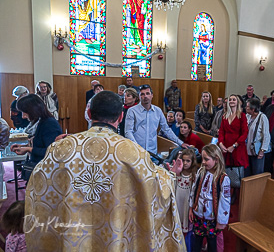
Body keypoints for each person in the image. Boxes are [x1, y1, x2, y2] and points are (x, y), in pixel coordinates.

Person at [24, 91, 186, 251]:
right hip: (115, 234)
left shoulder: (63, 148)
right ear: (121, 117)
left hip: (74, 234)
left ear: (89, 113)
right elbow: (155, 187)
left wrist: (57, 147)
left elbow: (40, 183)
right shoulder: (133, 153)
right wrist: (172, 175)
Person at [189, 144, 230, 252]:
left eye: (206, 159)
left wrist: (221, 221)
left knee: (212, 244)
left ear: (216, 159)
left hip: (211, 219)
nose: (202, 162)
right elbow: (194, 190)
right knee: (196, 241)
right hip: (198, 215)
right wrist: (191, 208)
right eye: (202, 158)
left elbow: (225, 201)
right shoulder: (201, 172)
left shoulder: (223, 178)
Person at [125, 84, 188, 154]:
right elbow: (128, 132)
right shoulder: (132, 111)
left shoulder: (158, 111)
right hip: (137, 151)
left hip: (152, 152)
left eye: (147, 93)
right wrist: (136, 147)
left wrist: (180, 143)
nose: (145, 96)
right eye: (142, 94)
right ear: (139, 97)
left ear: (152, 95)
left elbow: (166, 129)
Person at [10, 94, 62, 177]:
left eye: (24, 112)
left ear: (33, 110)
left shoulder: (49, 124)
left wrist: (29, 149)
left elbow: (51, 151)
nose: (23, 116)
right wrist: (24, 146)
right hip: (41, 169)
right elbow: (40, 143)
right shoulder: (40, 122)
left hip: (47, 172)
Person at [174, 149, 198, 243]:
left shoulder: (194, 176)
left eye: (188, 161)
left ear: (192, 162)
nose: (185, 163)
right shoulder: (178, 173)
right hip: (178, 200)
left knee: (187, 230)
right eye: (183, 160)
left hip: (187, 204)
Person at [218, 94, 249, 169]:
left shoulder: (242, 116)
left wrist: (234, 145)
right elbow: (221, 131)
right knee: (225, 168)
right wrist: (221, 143)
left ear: (237, 102)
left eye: (234, 99)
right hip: (226, 146)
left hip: (237, 146)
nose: (231, 101)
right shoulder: (224, 116)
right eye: (230, 100)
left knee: (236, 171)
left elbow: (245, 133)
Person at [245, 98, 270, 177]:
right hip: (247, 149)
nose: (246, 108)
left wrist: (262, 150)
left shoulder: (262, 117)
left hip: (257, 150)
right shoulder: (247, 116)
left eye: (248, 107)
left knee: (257, 174)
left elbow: (266, 135)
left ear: (253, 109)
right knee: (247, 174)